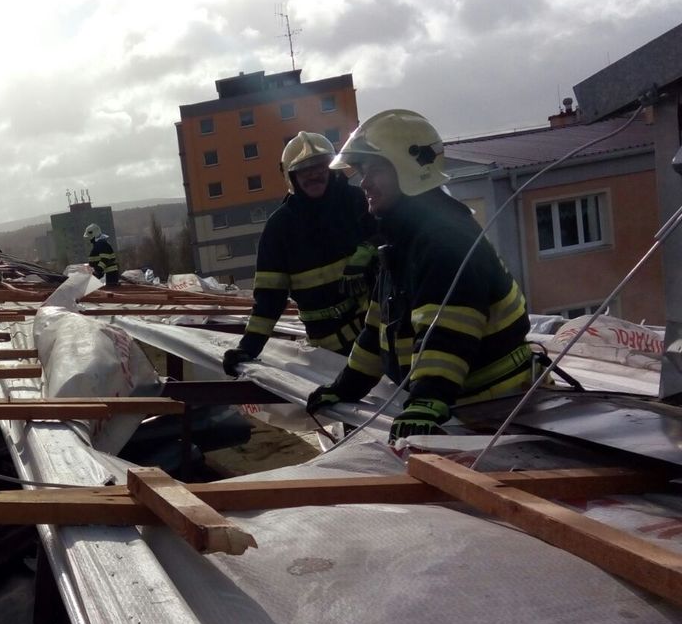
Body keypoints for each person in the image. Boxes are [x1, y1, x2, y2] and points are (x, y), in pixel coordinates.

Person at [305, 110, 535, 444]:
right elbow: (378, 329)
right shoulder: (403, 239)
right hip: (463, 406)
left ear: (409, 171)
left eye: (374, 170)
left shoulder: (444, 241)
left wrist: (428, 399)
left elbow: (447, 332)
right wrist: (346, 387)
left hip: (499, 408)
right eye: (362, 172)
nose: (363, 183)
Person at [222, 131, 377, 377]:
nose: (314, 174)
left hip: (375, 333)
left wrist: (368, 252)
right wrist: (248, 348)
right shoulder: (280, 228)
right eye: (305, 170)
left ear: (331, 167)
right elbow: (270, 297)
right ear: (291, 176)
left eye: (319, 166)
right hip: (327, 352)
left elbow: (393, 240)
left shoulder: (358, 202)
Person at [84, 222, 120, 287]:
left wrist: (98, 270)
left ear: (93, 235)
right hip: (106, 274)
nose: (89, 239)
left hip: (108, 274)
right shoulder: (99, 244)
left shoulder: (101, 244)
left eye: (89, 236)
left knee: (109, 291)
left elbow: (105, 259)